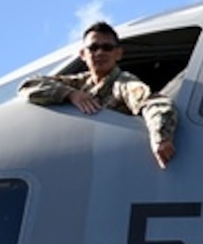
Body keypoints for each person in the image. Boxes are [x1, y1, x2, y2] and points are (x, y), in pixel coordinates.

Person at [20, 22, 177, 168]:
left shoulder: (123, 83)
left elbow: (154, 104)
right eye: (93, 48)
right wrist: (70, 94)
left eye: (107, 47)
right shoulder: (79, 83)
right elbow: (28, 85)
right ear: (83, 54)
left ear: (118, 54)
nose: (100, 52)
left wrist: (161, 138)